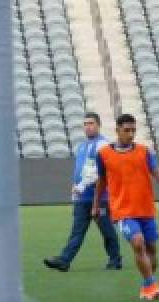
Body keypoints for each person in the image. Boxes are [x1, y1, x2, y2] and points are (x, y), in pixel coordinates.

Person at [92, 114, 159, 301]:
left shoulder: (144, 151)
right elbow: (102, 181)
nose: (130, 134)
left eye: (133, 130)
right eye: (127, 130)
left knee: (151, 248)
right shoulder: (103, 154)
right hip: (123, 210)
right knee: (138, 243)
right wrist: (95, 205)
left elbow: (155, 170)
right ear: (117, 130)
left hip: (145, 208)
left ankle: (148, 283)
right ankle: (151, 285)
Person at [44, 112, 123, 272]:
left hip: (99, 197)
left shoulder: (103, 145)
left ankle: (115, 259)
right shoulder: (82, 146)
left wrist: (84, 185)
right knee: (77, 231)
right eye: (85, 124)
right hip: (82, 198)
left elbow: (102, 171)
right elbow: (80, 169)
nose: (88, 127)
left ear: (98, 125)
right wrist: (75, 186)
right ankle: (65, 260)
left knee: (106, 229)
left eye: (91, 123)